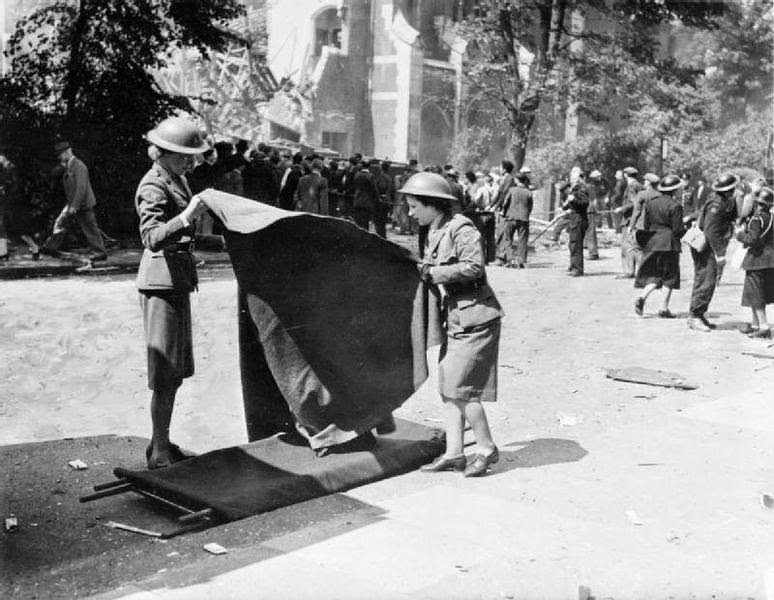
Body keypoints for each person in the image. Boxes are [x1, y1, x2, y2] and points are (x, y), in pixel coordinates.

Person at [399, 172, 504, 477]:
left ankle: (486, 448)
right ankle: (455, 453)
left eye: (414, 206)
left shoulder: (461, 227)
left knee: (461, 389)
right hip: (456, 318)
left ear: (432, 203)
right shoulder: (433, 229)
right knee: (448, 388)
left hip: (477, 318)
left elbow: (474, 267)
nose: (410, 213)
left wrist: (433, 273)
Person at [135, 116, 224, 469]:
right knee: (164, 372)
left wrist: (221, 242)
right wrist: (188, 215)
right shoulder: (153, 186)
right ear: (165, 153)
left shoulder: (176, 179)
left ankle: (162, 442)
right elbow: (153, 237)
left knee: (174, 372)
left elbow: (182, 236)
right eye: (185, 155)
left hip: (176, 280)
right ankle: (158, 451)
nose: (192, 161)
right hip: (160, 284)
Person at [687, 172, 739, 332]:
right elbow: (711, 231)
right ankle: (695, 316)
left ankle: (700, 313)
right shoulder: (717, 204)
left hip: (711, 246)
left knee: (708, 281)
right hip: (707, 247)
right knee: (706, 280)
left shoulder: (725, 200)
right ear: (730, 189)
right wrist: (720, 254)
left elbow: (732, 216)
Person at [39, 140, 107, 262]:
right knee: (61, 222)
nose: (59, 157)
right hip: (73, 203)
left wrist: (74, 206)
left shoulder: (79, 166)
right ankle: (50, 248)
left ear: (66, 152)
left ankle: (100, 253)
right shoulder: (69, 165)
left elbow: (81, 188)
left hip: (82, 204)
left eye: (60, 155)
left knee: (90, 228)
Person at [633, 174, 684, 318]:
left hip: (652, 241)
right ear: (674, 190)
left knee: (654, 275)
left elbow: (646, 225)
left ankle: (642, 297)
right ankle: (663, 308)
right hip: (669, 243)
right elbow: (677, 230)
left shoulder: (651, 203)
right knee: (670, 276)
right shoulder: (676, 206)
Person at [735, 187, 774, 338]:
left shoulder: (757, 218)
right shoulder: (770, 217)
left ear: (757, 203)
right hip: (768, 260)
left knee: (756, 294)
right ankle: (755, 324)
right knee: (755, 293)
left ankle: (763, 327)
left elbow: (753, 240)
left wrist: (739, 234)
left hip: (757, 260)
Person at [495, 172, 533, 268]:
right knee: (523, 240)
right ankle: (521, 261)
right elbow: (530, 207)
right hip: (524, 219)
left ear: (517, 180)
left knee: (507, 239)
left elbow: (505, 203)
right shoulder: (529, 192)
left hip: (511, 218)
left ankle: (510, 259)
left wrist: (503, 212)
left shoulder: (512, 190)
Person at [563, 166, 590, 277]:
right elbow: (573, 204)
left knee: (576, 245)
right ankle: (573, 266)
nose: (571, 180)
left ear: (577, 178)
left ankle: (578, 269)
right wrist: (566, 206)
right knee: (573, 244)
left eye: (572, 178)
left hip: (579, 219)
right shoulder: (574, 189)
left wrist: (573, 200)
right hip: (575, 218)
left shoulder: (581, 188)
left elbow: (584, 203)